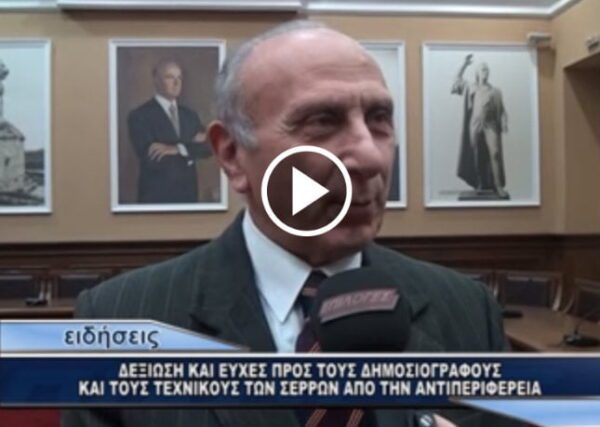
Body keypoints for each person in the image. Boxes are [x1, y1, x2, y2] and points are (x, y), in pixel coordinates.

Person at [63, 21, 515, 427]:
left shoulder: (468, 312)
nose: (371, 156)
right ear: (231, 155)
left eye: (379, 119)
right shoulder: (120, 320)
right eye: (322, 121)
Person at [127, 59, 212, 204]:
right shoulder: (139, 116)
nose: (176, 83)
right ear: (156, 80)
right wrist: (191, 146)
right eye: (170, 77)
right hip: (156, 197)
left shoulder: (190, 115)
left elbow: (209, 147)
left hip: (189, 196)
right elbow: (153, 158)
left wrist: (177, 148)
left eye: (179, 78)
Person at [452, 54, 509, 199]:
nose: (485, 72)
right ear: (477, 72)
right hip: (475, 125)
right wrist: (464, 64)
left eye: (487, 70)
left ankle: (498, 186)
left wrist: (504, 121)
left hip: (490, 125)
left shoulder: (495, 91)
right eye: (483, 69)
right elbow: (457, 80)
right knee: (476, 155)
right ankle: (480, 183)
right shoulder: (471, 87)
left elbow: (502, 110)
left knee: (495, 153)